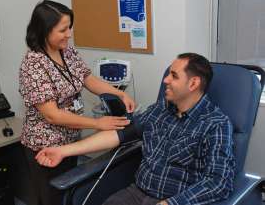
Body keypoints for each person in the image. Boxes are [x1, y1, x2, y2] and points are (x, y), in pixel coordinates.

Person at [36, 53, 235, 205]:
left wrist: (170, 203)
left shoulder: (215, 124)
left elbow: (218, 183)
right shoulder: (160, 110)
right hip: (137, 193)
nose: (165, 80)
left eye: (173, 76)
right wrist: (63, 151)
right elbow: (119, 134)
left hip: (174, 200)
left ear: (193, 83)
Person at [18, 0, 135, 205]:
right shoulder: (33, 64)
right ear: (45, 30)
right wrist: (98, 123)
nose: (68, 34)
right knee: (53, 198)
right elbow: (52, 114)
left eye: (69, 27)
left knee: (72, 192)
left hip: (71, 140)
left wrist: (120, 94)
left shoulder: (67, 51)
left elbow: (88, 79)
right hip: (46, 146)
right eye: (63, 29)